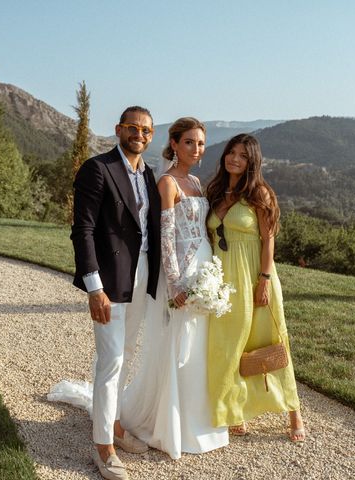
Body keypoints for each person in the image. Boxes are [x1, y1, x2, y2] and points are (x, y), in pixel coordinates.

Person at [119, 117, 228, 459]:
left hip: (205, 270)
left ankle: (198, 419)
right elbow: (165, 237)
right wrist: (177, 282)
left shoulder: (196, 180)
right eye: (190, 142)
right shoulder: (167, 182)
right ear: (175, 144)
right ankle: (170, 425)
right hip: (182, 275)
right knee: (178, 346)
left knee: (199, 346)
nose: (197, 149)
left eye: (200, 143)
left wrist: (213, 274)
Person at [70, 106, 161, 480]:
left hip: (141, 278)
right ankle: (103, 448)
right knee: (111, 362)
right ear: (119, 130)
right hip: (109, 280)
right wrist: (94, 287)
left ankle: (116, 424)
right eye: (133, 127)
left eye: (146, 130)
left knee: (125, 353)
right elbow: (83, 230)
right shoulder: (98, 168)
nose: (139, 133)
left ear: (152, 136)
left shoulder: (149, 174)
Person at [205, 133, 306, 442]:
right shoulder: (217, 191)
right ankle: (234, 410)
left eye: (243, 155)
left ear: (252, 161)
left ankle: (294, 414)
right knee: (229, 345)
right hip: (224, 282)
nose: (235, 158)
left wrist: (263, 280)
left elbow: (268, 240)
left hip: (254, 277)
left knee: (271, 341)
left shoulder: (259, 193)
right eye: (231, 152)